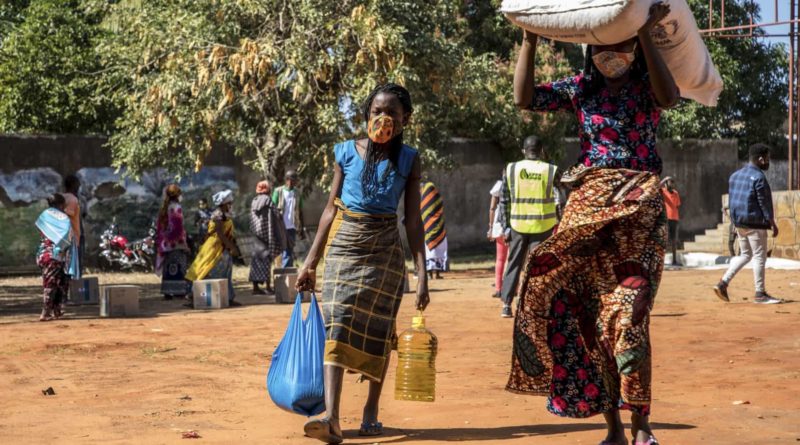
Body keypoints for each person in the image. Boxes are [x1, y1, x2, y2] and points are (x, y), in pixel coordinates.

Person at [506, 3, 680, 445]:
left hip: (637, 212)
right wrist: (529, 36)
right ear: (591, 50)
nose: (611, 55)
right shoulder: (580, 90)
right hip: (587, 209)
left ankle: (642, 427)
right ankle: (614, 429)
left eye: (620, 45)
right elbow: (524, 98)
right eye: (604, 46)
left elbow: (669, 97)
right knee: (582, 315)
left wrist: (641, 31)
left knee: (629, 316)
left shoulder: (647, 87)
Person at [296, 83, 430, 444]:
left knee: (379, 329)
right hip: (345, 246)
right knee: (336, 324)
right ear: (366, 115)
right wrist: (310, 262)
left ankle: (371, 410)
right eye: (376, 112)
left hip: (385, 252)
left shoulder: (409, 158)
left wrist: (422, 274)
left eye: (392, 114)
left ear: (405, 121)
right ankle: (332, 417)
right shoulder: (344, 152)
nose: (383, 120)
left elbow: (413, 221)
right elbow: (328, 210)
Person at [498, 136, 560, 318]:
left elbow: (504, 200)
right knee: (538, 266)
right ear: (541, 151)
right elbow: (563, 193)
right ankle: (535, 304)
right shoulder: (550, 170)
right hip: (542, 226)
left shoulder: (511, 169)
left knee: (514, 263)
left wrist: (505, 227)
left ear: (523, 150)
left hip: (517, 225)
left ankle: (507, 304)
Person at [713, 144, 782, 304]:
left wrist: (734, 222)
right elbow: (764, 202)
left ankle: (723, 283)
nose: (768, 161)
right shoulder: (759, 177)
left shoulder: (734, 176)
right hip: (755, 223)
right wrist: (772, 222)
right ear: (760, 159)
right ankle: (760, 294)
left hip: (739, 223)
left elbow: (732, 201)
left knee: (745, 255)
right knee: (759, 256)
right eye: (767, 158)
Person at [186, 190, 241, 306]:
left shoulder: (224, 214)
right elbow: (220, 234)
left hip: (221, 247)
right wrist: (232, 248)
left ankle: (228, 298)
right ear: (223, 204)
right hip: (214, 247)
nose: (231, 205)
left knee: (226, 272)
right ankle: (196, 297)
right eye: (229, 203)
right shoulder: (218, 215)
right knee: (208, 270)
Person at [35, 193, 77, 321]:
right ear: (61, 204)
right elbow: (68, 237)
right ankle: (45, 312)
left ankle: (56, 311)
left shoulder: (44, 215)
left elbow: (42, 232)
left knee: (56, 282)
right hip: (55, 255)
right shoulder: (63, 218)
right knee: (53, 283)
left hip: (43, 254)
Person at [249, 180, 286, 295]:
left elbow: (252, 219)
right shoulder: (268, 200)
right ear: (268, 190)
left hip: (256, 235)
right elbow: (276, 214)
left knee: (256, 260)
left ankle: (255, 287)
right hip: (267, 235)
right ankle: (268, 287)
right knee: (267, 260)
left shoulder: (254, 201)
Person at [155, 184, 191, 300]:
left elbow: (159, 228)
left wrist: (163, 241)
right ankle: (179, 291)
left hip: (165, 244)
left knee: (168, 267)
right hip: (176, 243)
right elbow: (177, 228)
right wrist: (183, 243)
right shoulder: (177, 208)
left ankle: (167, 291)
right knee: (179, 266)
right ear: (177, 195)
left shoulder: (164, 208)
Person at [272, 170, 305, 267]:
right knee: (282, 251)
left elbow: (301, 211)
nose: (294, 182)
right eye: (292, 180)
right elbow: (273, 210)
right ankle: (284, 273)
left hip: (292, 227)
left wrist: (302, 228)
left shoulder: (298, 193)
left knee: (288, 251)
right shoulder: (278, 191)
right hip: (280, 227)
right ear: (287, 180)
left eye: (295, 180)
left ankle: (286, 273)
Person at [420, 178, 448, 279]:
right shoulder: (435, 198)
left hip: (429, 229)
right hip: (437, 227)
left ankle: (432, 274)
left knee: (431, 251)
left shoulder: (423, 200)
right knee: (436, 250)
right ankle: (435, 273)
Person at [488, 177, 508, 298]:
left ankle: (498, 289)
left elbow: (492, 208)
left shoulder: (499, 186)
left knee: (500, 259)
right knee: (511, 260)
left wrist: (490, 227)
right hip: (514, 225)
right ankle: (511, 288)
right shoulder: (516, 184)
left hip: (499, 225)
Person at [62, 174, 82, 279]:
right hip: (72, 238)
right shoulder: (73, 199)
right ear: (74, 185)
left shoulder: (61, 198)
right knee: (74, 268)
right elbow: (67, 214)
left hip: (62, 238)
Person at [660, 176, 681, 266]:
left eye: (672, 182)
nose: (671, 183)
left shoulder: (676, 193)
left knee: (673, 240)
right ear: (666, 183)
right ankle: (662, 261)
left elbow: (677, 205)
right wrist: (665, 179)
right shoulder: (663, 191)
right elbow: (657, 187)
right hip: (666, 219)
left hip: (675, 219)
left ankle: (674, 260)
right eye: (670, 181)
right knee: (665, 239)